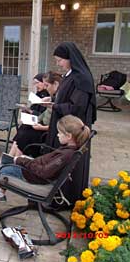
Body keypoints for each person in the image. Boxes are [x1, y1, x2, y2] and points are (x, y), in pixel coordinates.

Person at [0, 115, 90, 204]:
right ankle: (0, 194)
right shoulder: (70, 150)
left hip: (31, 176)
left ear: (69, 136)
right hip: (33, 170)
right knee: (6, 163)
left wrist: (21, 161)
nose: (57, 135)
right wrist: (26, 160)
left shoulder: (66, 155)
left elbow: (44, 172)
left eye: (59, 133)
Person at [45, 42, 97, 206]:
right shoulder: (70, 74)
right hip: (63, 125)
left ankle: (65, 199)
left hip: (72, 130)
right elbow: (66, 97)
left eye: (60, 60)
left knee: (69, 163)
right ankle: (54, 195)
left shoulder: (81, 78)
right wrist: (53, 99)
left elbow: (77, 107)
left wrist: (55, 106)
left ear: (70, 58)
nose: (58, 63)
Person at [10, 72, 62, 158]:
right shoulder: (52, 96)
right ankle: (11, 157)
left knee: (25, 134)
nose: (45, 88)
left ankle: (16, 159)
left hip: (47, 131)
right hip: (42, 124)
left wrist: (39, 123)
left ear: (55, 84)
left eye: (37, 82)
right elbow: (44, 114)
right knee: (24, 128)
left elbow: (55, 123)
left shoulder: (56, 99)